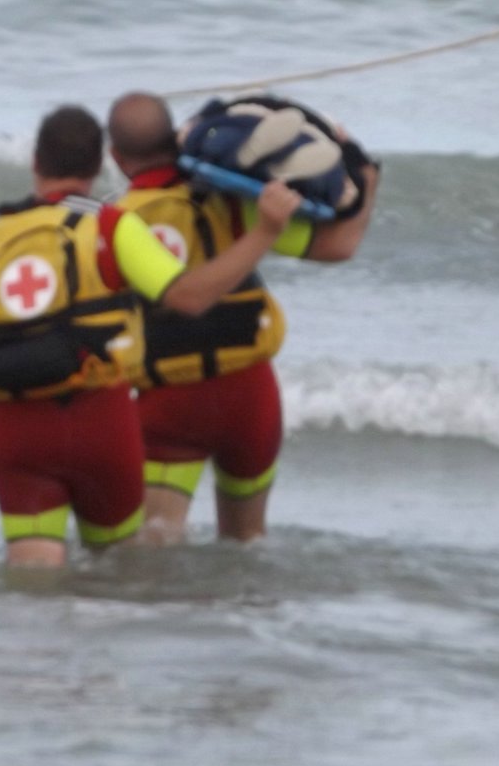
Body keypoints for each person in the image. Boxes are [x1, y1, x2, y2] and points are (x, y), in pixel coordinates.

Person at [0, 104, 303, 568]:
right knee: (120, 577)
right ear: (98, 165)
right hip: (102, 424)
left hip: (19, 430)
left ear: (35, 162)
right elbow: (188, 297)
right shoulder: (111, 224)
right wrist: (265, 231)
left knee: (31, 585)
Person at [106, 91, 381, 543]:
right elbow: (340, 246)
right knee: (247, 543)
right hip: (251, 399)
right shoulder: (237, 202)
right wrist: (366, 176)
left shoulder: (115, 221)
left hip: (171, 403)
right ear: (175, 137)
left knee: (155, 543)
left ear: (116, 158)